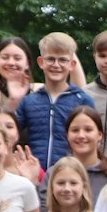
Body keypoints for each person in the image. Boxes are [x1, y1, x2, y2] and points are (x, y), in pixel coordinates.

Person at [15, 31, 95, 170]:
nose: (56, 65)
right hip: (35, 174)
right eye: (51, 59)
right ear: (41, 62)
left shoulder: (82, 100)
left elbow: (92, 140)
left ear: (72, 64)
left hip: (70, 174)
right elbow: (11, 135)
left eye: (63, 60)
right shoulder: (29, 101)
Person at [63, 106, 107, 203]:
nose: (81, 135)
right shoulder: (55, 173)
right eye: (75, 130)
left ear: (100, 135)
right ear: (67, 135)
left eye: (88, 130)